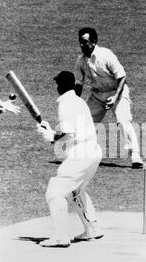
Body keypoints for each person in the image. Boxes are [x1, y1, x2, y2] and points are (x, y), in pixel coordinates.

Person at [37, 71, 103, 248]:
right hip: (94, 152)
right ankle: (92, 229)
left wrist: (51, 136)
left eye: (57, 84)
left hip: (81, 155)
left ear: (60, 86)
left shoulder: (65, 103)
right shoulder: (79, 101)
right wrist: (52, 131)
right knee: (77, 190)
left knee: (55, 191)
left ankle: (60, 236)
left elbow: (68, 134)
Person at [75, 27, 144, 169]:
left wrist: (115, 97)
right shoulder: (80, 61)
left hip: (117, 91)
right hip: (97, 94)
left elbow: (122, 76)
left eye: (85, 42)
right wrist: (74, 103)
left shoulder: (106, 55)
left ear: (94, 42)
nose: (82, 45)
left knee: (123, 121)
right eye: (80, 42)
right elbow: (78, 84)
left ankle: (136, 155)